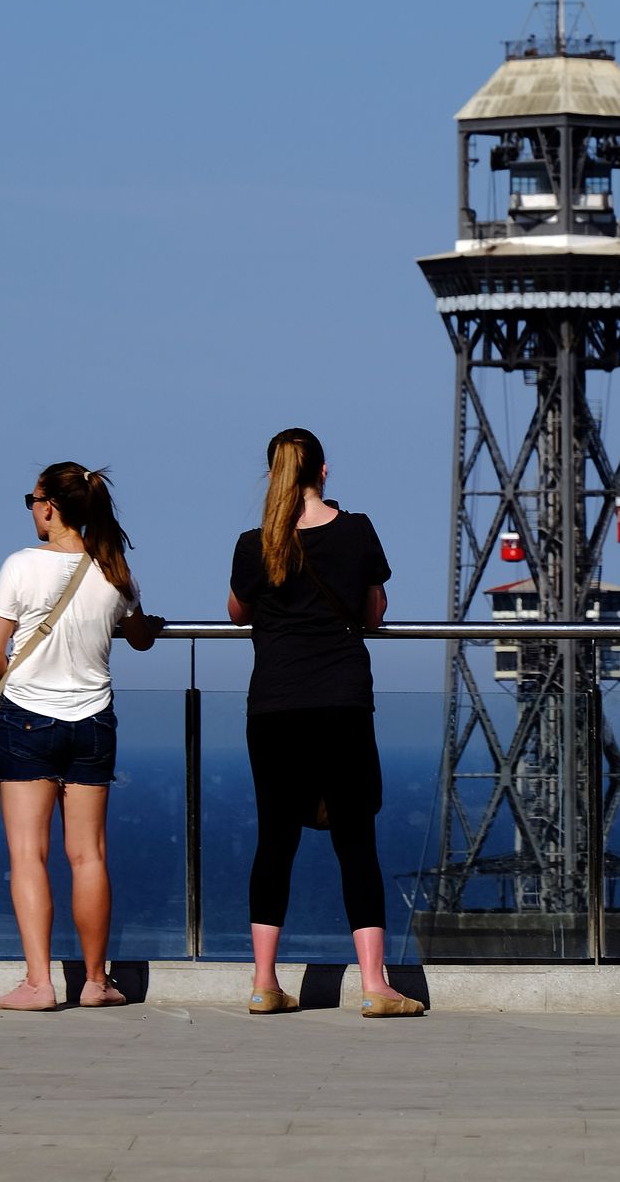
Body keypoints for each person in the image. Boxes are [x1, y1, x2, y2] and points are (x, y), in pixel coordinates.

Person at [229, 428, 423, 1017]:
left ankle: (265, 982)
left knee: (274, 842)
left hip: (275, 704)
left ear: (271, 476)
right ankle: (374, 985)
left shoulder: (254, 542)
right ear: (325, 471)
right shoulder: (358, 530)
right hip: (341, 700)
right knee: (356, 843)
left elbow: (237, 613)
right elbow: (374, 610)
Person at [0, 463, 164, 1011]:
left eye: (32, 500)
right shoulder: (113, 568)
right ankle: (95, 981)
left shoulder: (21, 566)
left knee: (28, 855)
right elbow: (139, 639)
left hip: (27, 721)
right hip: (93, 720)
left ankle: (39, 985)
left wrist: (15, 686)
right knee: (88, 856)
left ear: (49, 505)